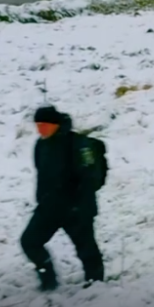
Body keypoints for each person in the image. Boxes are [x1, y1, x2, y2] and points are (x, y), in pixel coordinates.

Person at [20, 106, 107, 292]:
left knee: (86, 249)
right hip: (49, 207)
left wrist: (77, 204)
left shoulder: (78, 144)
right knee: (29, 241)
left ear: (56, 125)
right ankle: (48, 281)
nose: (40, 129)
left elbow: (90, 178)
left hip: (76, 208)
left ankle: (96, 284)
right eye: (37, 125)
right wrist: (43, 199)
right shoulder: (41, 145)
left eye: (44, 125)